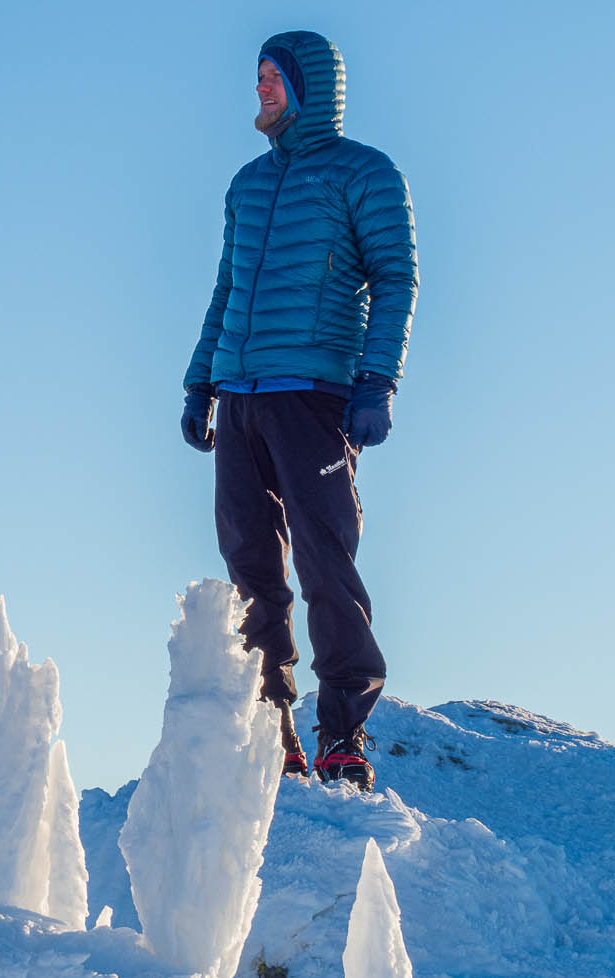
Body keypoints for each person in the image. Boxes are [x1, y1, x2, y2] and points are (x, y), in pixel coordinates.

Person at [179, 29, 417, 792]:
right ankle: (271, 724)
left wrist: (376, 381)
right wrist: (199, 381)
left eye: (272, 78)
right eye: (257, 79)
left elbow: (396, 280)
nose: (261, 90)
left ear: (309, 85)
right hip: (239, 394)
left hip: (313, 393)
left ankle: (343, 731)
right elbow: (226, 289)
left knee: (325, 560)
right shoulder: (246, 185)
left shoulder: (365, 174)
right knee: (250, 564)